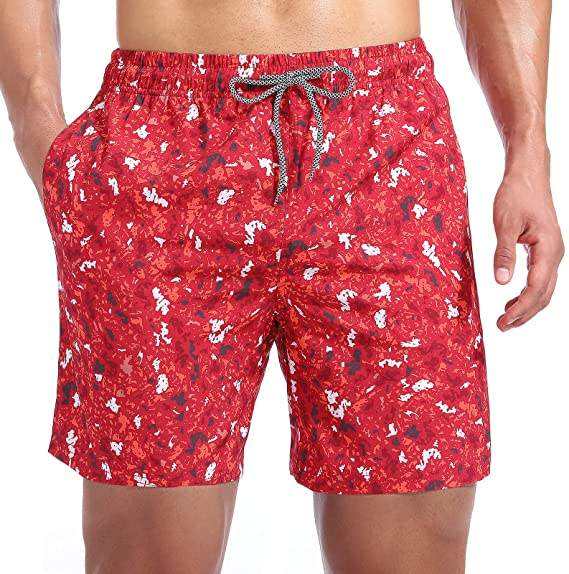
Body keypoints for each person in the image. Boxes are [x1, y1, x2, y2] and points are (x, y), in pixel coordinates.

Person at [0, 1, 563, 573]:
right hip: (160, 149)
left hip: (382, 142)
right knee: (148, 550)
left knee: (414, 536)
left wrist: (528, 147)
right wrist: (39, 129)